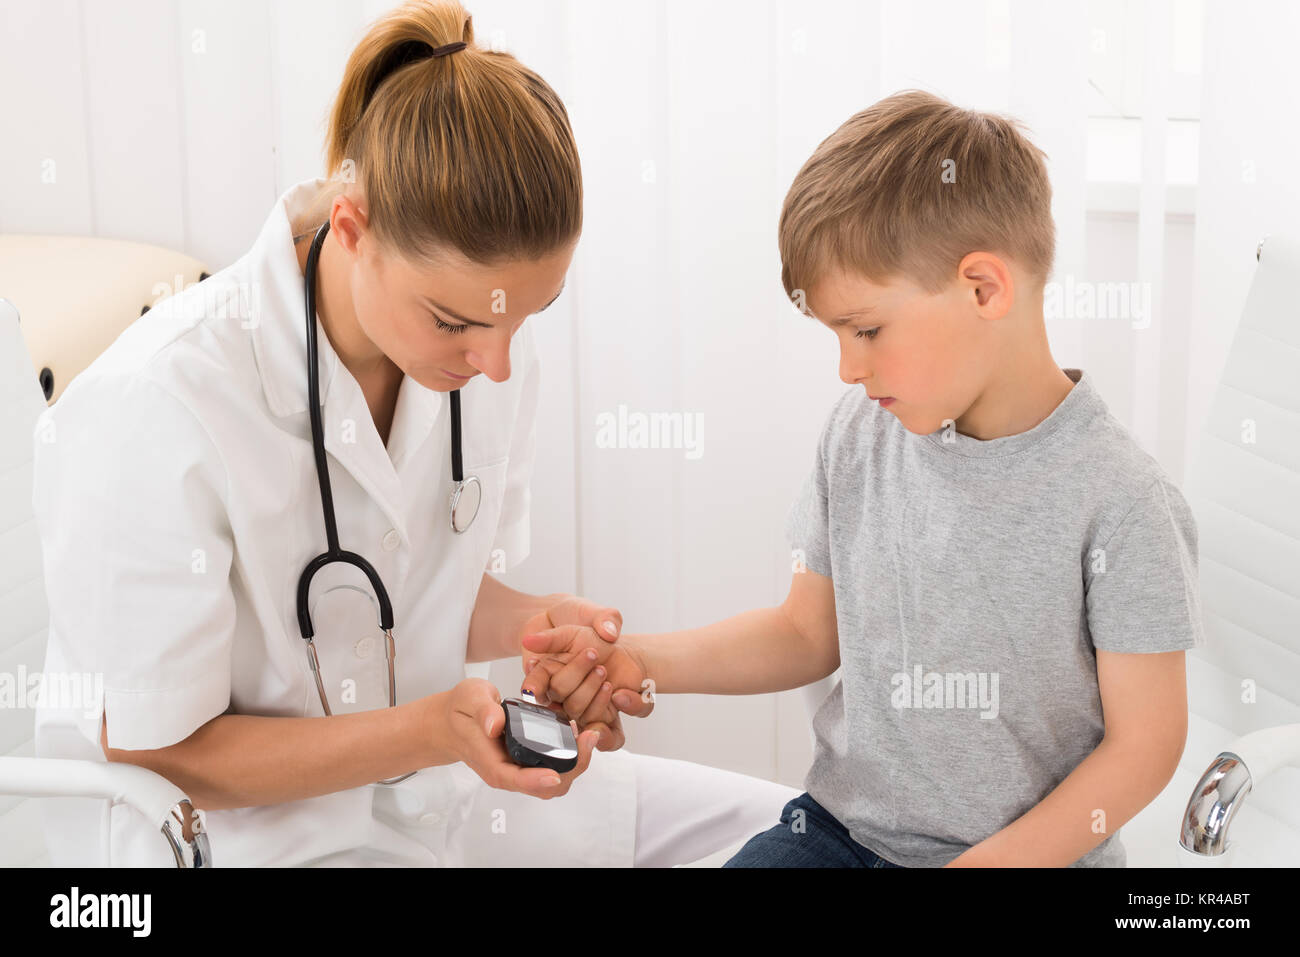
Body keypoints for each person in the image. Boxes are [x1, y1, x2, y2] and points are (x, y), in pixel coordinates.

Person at [32, 0, 795, 867]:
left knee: (794, 834)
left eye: (527, 313)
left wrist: (541, 623)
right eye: (454, 322)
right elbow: (158, 746)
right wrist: (432, 729)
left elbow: (416, 587)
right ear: (351, 229)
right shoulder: (157, 402)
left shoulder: (483, 344)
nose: (497, 363)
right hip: (240, 838)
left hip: (435, 797)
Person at [521, 89, 1207, 868]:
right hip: (841, 836)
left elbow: (1144, 746)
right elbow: (804, 632)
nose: (849, 368)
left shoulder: (1122, 503)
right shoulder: (862, 432)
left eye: (867, 330)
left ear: (984, 288)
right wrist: (639, 661)